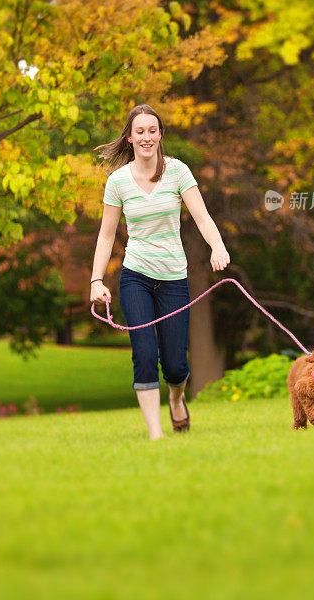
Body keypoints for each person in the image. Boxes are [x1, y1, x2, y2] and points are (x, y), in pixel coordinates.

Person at [90, 104, 230, 440]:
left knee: (176, 364)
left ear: (160, 135)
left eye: (152, 130)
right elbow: (107, 234)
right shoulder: (118, 182)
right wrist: (96, 280)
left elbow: (202, 216)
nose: (146, 136)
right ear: (130, 137)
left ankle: (176, 397)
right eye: (140, 131)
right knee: (143, 354)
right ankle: (156, 436)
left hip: (173, 278)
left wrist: (218, 246)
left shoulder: (178, 172)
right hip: (135, 276)